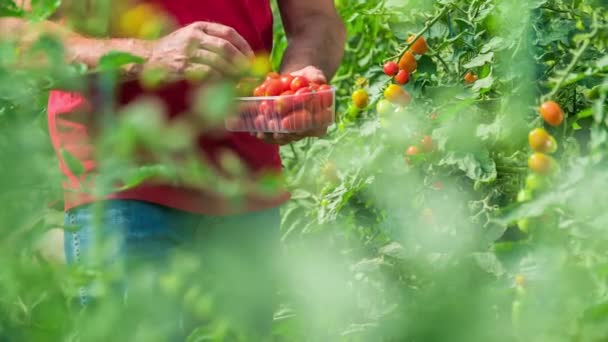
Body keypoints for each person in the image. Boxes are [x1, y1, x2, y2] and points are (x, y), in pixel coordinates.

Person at [0, 0, 345, 339]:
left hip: (243, 182)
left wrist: (298, 81)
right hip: (123, 182)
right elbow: (16, 32)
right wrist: (147, 54)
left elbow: (315, 18)